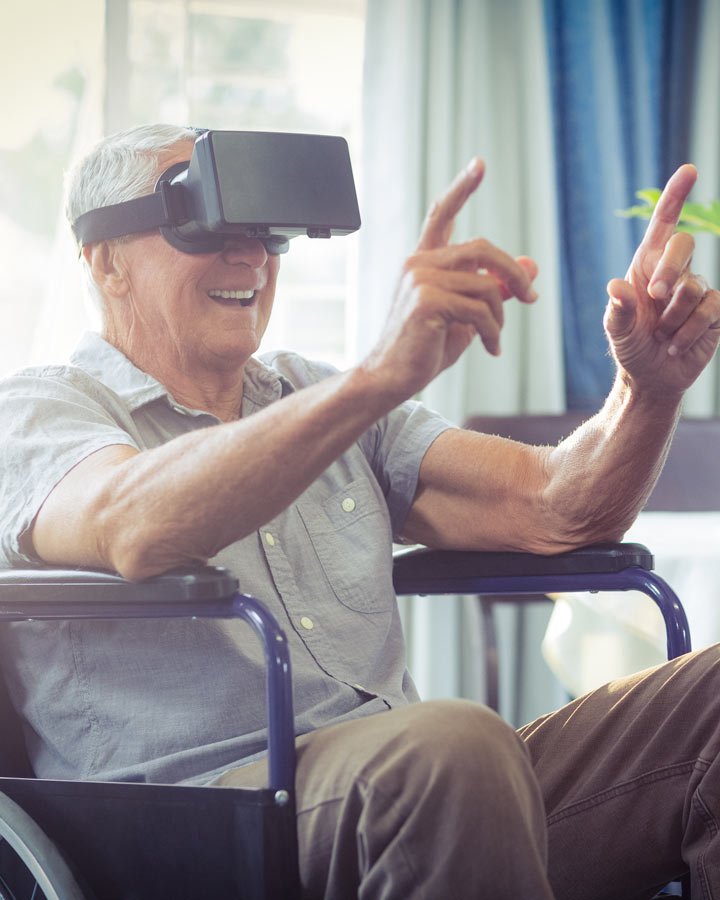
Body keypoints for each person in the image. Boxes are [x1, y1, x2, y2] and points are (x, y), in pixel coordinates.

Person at [1, 123, 719, 899]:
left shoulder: (315, 392)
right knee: (453, 747)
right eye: (205, 224)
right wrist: (375, 378)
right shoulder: (40, 410)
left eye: (265, 231)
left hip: (420, 782)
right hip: (200, 820)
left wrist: (648, 390)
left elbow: (557, 509)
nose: (250, 256)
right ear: (105, 259)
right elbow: (131, 523)